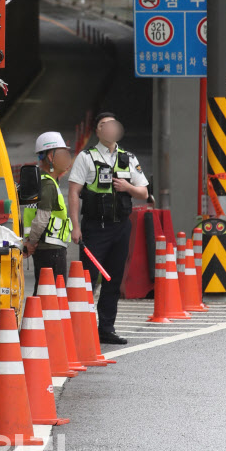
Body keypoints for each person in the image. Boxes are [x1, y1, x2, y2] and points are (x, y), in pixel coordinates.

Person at [68, 112, 149, 345]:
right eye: (104, 125)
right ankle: (80, 328)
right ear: (98, 131)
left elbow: (143, 192)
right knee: (88, 279)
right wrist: (75, 226)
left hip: (120, 228)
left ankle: (106, 328)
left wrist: (126, 187)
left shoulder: (128, 157)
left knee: (113, 280)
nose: (110, 128)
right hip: (94, 228)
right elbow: (73, 192)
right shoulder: (86, 157)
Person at [23, 132, 73, 295]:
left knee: (44, 293)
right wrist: (31, 242)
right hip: (51, 249)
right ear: (51, 156)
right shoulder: (48, 184)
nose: (68, 158)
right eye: (64, 154)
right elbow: (42, 218)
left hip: (45, 248)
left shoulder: (40, 180)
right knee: (52, 296)